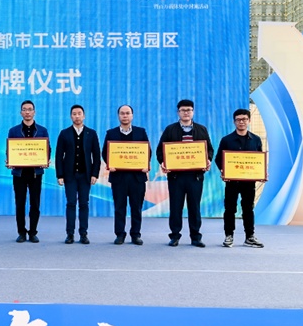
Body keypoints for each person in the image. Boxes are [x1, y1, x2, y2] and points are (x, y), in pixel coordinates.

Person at [156, 99, 214, 248]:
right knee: (176, 207)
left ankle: (196, 237)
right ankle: (175, 236)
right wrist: (163, 162)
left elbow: (209, 149)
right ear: (178, 112)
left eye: (189, 110)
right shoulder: (170, 130)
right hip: (176, 177)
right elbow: (160, 150)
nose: (186, 113)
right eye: (183, 110)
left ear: (193, 112)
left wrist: (208, 160)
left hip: (195, 177)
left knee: (194, 207)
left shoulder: (201, 129)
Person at [215, 108, 265, 248]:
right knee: (230, 209)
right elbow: (218, 159)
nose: (241, 122)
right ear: (234, 122)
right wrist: (224, 171)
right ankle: (228, 236)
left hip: (249, 182)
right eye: (238, 120)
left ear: (249, 120)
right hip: (232, 181)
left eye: (244, 119)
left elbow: (259, 160)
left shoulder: (256, 140)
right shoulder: (226, 140)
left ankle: (249, 237)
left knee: (248, 209)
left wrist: (261, 173)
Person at [102, 105, 151, 245]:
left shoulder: (141, 132)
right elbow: (105, 152)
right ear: (118, 116)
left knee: (136, 208)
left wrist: (145, 164)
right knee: (119, 207)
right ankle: (120, 234)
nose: (125, 116)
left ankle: (135, 234)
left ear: (132, 115)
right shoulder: (111, 133)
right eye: (122, 113)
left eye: (127, 113)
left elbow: (147, 151)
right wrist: (110, 163)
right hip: (119, 177)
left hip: (137, 177)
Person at [55, 104, 101, 244]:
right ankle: (70, 234)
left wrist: (94, 174)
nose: (77, 116)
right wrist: (60, 175)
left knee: (84, 204)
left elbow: (96, 156)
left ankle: (83, 234)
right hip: (69, 176)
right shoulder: (64, 133)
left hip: (85, 176)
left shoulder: (91, 133)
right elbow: (58, 156)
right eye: (74, 114)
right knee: (70, 203)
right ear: (71, 116)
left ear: (84, 116)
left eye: (79, 113)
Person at [7, 100, 50, 243]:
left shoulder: (42, 130)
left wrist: (46, 160)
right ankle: (21, 232)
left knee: (35, 204)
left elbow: (47, 149)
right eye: (24, 109)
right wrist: (10, 160)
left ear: (34, 112)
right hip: (19, 173)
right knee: (20, 203)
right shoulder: (13, 131)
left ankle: (32, 232)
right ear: (21, 113)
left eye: (30, 109)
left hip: (36, 173)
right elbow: (10, 150)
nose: (27, 112)